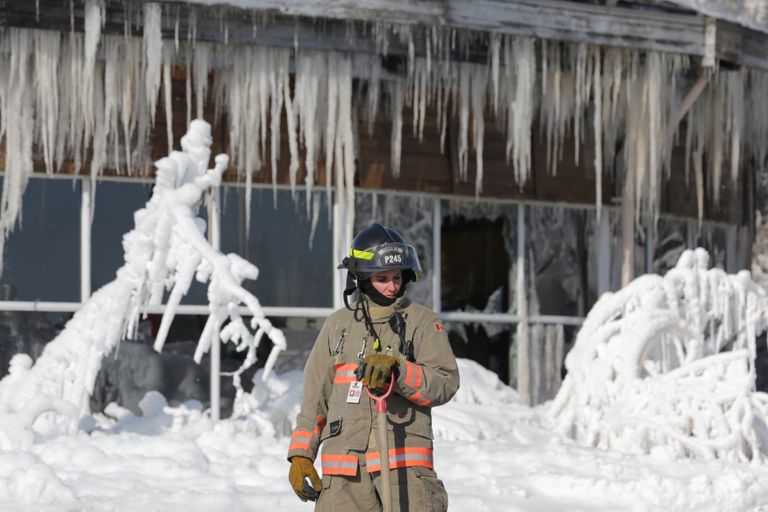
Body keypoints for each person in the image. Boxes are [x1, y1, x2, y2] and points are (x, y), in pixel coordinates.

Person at [287, 223, 460, 511]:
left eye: (397, 277)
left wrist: (399, 370)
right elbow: (315, 399)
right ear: (362, 279)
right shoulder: (337, 326)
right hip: (344, 478)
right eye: (382, 278)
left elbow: (445, 383)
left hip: (404, 471)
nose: (393, 286)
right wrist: (301, 455)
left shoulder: (423, 322)